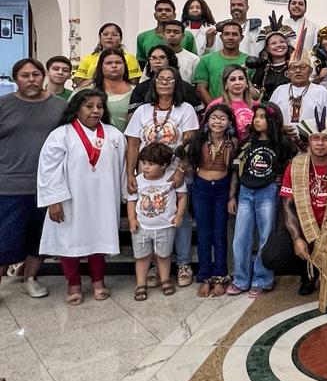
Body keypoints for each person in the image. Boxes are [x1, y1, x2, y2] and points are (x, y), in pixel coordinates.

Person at [261, 111, 327, 308]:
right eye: (315, 138)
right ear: (308, 141)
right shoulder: (295, 166)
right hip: (305, 223)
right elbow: (287, 205)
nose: (320, 143)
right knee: (271, 256)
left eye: (326, 139)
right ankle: (307, 273)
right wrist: (296, 238)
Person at [37, 89, 126, 304]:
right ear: (76, 109)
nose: (95, 111)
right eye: (89, 106)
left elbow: (124, 167)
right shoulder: (61, 135)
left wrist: (127, 196)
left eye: (99, 106)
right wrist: (53, 201)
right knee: (70, 240)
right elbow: (49, 169)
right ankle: (73, 283)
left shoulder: (114, 135)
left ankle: (98, 281)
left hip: (104, 200)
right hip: (70, 201)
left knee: (99, 238)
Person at [0, 58, 66, 298]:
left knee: (40, 238)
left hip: (47, 186)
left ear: (43, 76)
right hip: (8, 185)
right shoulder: (3, 105)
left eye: (35, 75)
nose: (31, 80)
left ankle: (30, 278)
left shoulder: (59, 106)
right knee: (4, 239)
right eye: (25, 76)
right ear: (15, 79)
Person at [227, 101, 295, 296]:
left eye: (262, 117)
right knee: (241, 237)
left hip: (268, 191)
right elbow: (236, 170)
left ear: (272, 120)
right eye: (255, 117)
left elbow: (293, 162)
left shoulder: (281, 143)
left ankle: (262, 279)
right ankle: (241, 278)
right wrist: (232, 196)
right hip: (246, 192)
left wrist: (282, 177)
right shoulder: (247, 143)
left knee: (266, 236)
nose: (257, 120)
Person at [180, 103, 237, 296]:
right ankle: (204, 277)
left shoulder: (233, 143)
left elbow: (234, 172)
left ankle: (220, 276)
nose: (218, 122)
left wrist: (231, 196)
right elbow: (189, 165)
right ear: (207, 121)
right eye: (214, 117)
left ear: (229, 122)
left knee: (220, 234)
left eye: (222, 118)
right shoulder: (199, 141)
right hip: (201, 188)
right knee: (204, 234)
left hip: (222, 189)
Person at [127, 141, 187, 300]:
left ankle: (165, 280)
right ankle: (141, 284)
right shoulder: (138, 180)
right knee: (141, 257)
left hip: (165, 225)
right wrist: (132, 219)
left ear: (164, 165)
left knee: (164, 255)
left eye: (151, 164)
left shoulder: (172, 178)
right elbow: (131, 200)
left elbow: (182, 196)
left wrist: (179, 215)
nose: (146, 167)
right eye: (144, 163)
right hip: (142, 227)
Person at [269, 40, 327, 136]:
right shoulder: (279, 90)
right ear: (288, 73)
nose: (298, 71)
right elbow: (269, 118)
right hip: (283, 141)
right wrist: (280, 128)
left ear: (310, 71)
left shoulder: (321, 91)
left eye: (302, 67)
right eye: (293, 68)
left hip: (312, 142)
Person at [128, 44, 201, 112]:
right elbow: (133, 116)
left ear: (171, 60)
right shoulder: (141, 88)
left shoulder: (186, 88)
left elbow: (197, 115)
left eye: (162, 57)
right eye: (153, 58)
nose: (157, 61)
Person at [193, 21, 248, 105]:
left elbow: (253, 91)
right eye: (226, 34)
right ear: (221, 37)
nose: (230, 37)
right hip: (215, 110)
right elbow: (201, 89)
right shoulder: (206, 60)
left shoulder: (248, 61)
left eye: (234, 34)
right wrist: (216, 108)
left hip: (243, 110)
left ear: (241, 38)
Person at [73, 23, 141, 85]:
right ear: (100, 37)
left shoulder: (129, 58)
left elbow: (134, 82)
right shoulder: (88, 58)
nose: (109, 37)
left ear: (120, 39)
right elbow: (79, 82)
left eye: (114, 35)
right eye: (105, 34)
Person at [136, 0, 196, 68]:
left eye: (168, 10)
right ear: (155, 15)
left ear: (174, 15)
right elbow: (142, 63)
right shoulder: (143, 37)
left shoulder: (187, 36)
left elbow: (193, 60)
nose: (163, 12)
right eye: (159, 10)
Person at [208, 64, 259, 141]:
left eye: (241, 78)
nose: (237, 82)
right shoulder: (216, 105)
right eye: (232, 79)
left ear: (246, 82)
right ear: (225, 84)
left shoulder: (256, 105)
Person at [89, 49, 135, 132]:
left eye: (118, 62)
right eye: (108, 63)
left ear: (125, 65)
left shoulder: (137, 92)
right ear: (101, 66)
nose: (114, 66)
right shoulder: (87, 91)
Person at [251, 24, 292, 100]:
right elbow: (255, 95)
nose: (279, 45)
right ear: (267, 48)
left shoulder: (294, 66)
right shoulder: (262, 69)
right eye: (273, 43)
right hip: (267, 106)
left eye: (282, 42)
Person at [161, 19, 200, 84]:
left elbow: (197, 84)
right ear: (163, 35)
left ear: (183, 36)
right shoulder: (155, 57)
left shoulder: (193, 59)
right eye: (168, 32)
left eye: (176, 32)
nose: (172, 34)